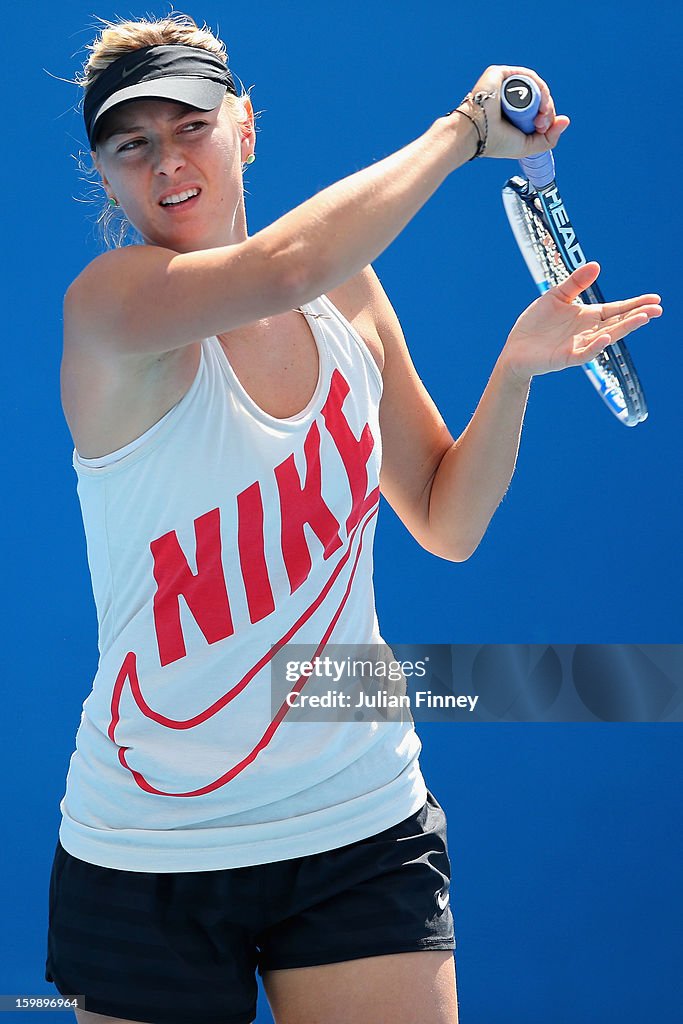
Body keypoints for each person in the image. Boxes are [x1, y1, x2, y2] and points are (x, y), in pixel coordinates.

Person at [44, 12, 662, 1024]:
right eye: (132, 144)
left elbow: (444, 519)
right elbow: (282, 265)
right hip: (147, 847)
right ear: (107, 175)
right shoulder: (110, 308)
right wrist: (463, 128)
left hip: (358, 823)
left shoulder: (350, 297)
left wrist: (510, 373)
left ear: (245, 125)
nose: (165, 163)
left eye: (189, 125)